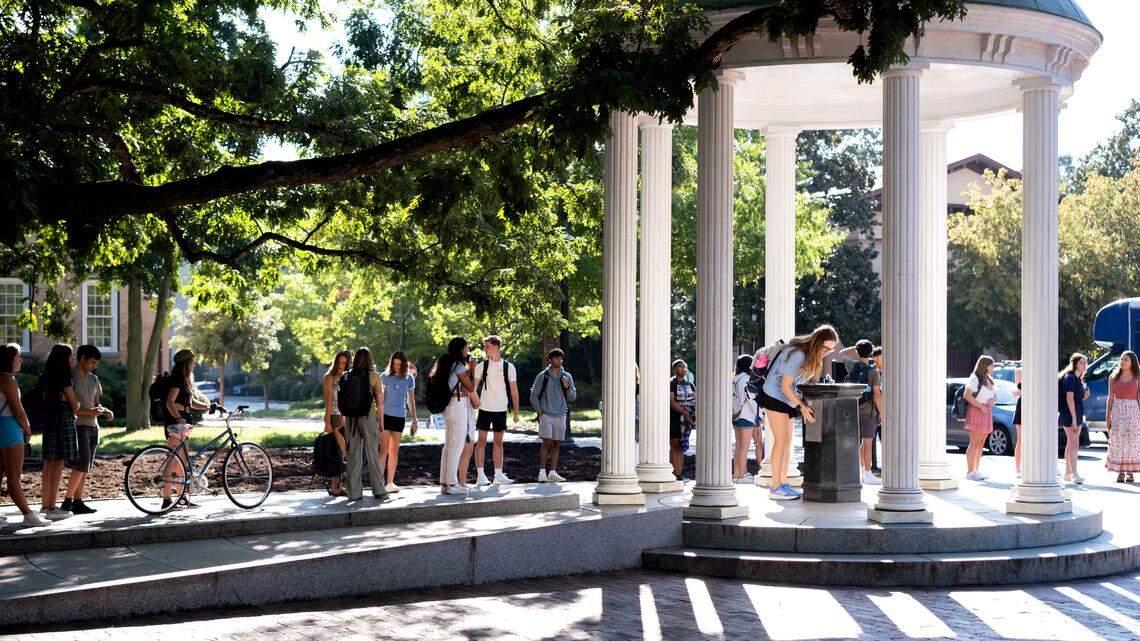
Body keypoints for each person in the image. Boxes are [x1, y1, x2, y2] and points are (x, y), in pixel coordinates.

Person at [758, 325, 840, 500]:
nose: (827, 352)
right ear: (817, 342)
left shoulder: (809, 356)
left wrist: (799, 403)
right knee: (781, 441)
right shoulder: (798, 354)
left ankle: (782, 483)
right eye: (825, 348)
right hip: (773, 395)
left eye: (831, 349)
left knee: (787, 442)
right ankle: (775, 487)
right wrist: (802, 407)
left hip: (786, 399)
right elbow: (785, 386)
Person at [0, 344, 48, 528]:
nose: (20, 360)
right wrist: (27, 429)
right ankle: (28, 515)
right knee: (14, 476)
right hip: (10, 428)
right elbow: (18, 411)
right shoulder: (8, 379)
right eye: (18, 356)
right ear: (8, 360)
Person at [61, 345, 113, 514]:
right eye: (92, 362)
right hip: (79, 425)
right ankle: (67, 502)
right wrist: (90, 411)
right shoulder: (70, 379)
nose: (94, 365)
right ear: (82, 359)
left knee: (86, 465)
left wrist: (105, 411)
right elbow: (72, 407)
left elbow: (96, 404)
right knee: (81, 462)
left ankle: (78, 501)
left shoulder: (93, 379)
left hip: (93, 426)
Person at [162, 349, 212, 510]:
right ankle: (167, 499)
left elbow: (191, 403)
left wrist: (209, 406)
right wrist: (178, 418)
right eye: (193, 360)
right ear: (186, 363)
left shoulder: (185, 380)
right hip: (177, 423)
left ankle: (182, 497)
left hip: (183, 423)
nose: (195, 363)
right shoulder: (177, 380)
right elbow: (170, 402)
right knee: (173, 461)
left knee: (182, 463)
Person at [431, 337, 478, 495]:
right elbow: (471, 387)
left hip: (448, 407)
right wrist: (472, 368)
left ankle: (445, 482)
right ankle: (452, 483)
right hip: (458, 406)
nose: (468, 351)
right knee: (456, 446)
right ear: (460, 349)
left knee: (449, 446)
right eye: (466, 347)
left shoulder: (447, 363)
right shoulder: (458, 366)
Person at [472, 336, 521, 486]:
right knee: (481, 442)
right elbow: (472, 388)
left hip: (501, 409)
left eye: (486, 346)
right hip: (485, 408)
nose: (484, 349)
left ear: (496, 347)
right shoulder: (482, 366)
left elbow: (514, 391)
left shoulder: (509, 367)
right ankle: (480, 476)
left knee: (498, 442)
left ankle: (498, 475)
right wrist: (472, 406)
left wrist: (516, 413)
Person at [341, 347, 387, 501]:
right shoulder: (374, 376)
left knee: (352, 455)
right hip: (368, 418)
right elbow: (380, 403)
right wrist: (382, 421)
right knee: (372, 453)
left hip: (350, 419)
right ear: (369, 359)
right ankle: (379, 490)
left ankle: (354, 493)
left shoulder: (346, 376)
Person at [837, 340, 883, 486]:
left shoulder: (851, 366)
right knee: (868, 442)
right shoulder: (874, 372)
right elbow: (877, 395)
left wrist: (856, 348)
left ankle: (858, 472)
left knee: (856, 444)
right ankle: (868, 473)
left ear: (857, 352)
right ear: (871, 353)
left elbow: (841, 353)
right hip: (868, 411)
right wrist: (880, 412)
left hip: (851, 411)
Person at [530, 348, 576, 483]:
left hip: (561, 414)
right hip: (546, 414)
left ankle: (553, 473)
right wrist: (539, 411)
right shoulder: (542, 376)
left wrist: (567, 386)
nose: (559, 361)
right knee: (546, 442)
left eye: (561, 358)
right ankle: (542, 472)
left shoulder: (567, 376)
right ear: (550, 360)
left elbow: (572, 397)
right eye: (556, 358)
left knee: (556, 444)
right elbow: (534, 395)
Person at [380, 350, 418, 492]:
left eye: (399, 364)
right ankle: (379, 483)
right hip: (385, 416)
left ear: (404, 364)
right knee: (383, 450)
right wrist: (379, 418)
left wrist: (414, 420)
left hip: (399, 417)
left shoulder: (409, 379)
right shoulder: (385, 377)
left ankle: (390, 483)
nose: (396, 366)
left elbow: (411, 400)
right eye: (394, 364)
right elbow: (381, 399)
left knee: (393, 451)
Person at [1106, 350, 1140, 483]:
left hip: (1133, 412)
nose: (1122, 361)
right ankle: (1120, 471)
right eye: (1121, 359)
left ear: (1132, 362)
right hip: (1118, 411)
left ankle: (1130, 471)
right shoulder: (1113, 377)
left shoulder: (1137, 377)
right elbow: (1110, 397)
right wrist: (1107, 415)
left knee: (1132, 440)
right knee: (1118, 440)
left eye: (1126, 359)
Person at [322, 350, 351, 496]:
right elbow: (328, 401)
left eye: (344, 363)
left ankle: (338, 487)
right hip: (334, 417)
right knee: (338, 452)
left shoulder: (348, 377)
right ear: (335, 361)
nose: (341, 366)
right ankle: (336, 486)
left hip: (347, 419)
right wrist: (327, 422)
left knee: (343, 453)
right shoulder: (329, 377)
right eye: (339, 362)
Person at [963, 355, 997, 481]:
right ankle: (970, 471)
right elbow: (967, 395)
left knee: (981, 444)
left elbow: (991, 395)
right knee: (974, 443)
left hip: (986, 413)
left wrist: (992, 400)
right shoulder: (975, 378)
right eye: (992, 365)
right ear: (985, 366)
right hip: (977, 412)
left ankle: (976, 470)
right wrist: (980, 406)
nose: (993, 367)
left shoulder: (989, 379)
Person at [1058, 352, 1090, 485]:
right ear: (1075, 363)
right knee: (1074, 444)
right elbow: (1069, 398)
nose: (1084, 365)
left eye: (1085, 362)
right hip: (1070, 415)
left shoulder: (1078, 379)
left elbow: (1077, 398)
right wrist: (1074, 419)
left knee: (1071, 444)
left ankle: (1067, 473)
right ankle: (1075, 474)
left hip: (1076, 414)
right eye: (1081, 362)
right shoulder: (1070, 378)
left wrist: (1085, 394)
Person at [731, 354, 760, 483]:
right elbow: (751, 399)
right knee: (744, 447)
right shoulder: (747, 379)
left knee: (738, 446)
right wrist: (759, 414)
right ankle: (742, 476)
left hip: (735, 414)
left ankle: (736, 475)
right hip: (746, 415)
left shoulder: (734, 378)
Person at [668, 359, 695, 481]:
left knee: (682, 446)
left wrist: (690, 415)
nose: (683, 369)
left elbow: (696, 399)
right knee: (674, 445)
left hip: (686, 420)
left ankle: (679, 473)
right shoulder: (671, 383)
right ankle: (673, 473)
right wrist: (684, 412)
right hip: (674, 418)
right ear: (674, 369)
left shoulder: (690, 384)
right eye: (680, 367)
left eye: (684, 367)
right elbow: (671, 402)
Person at [1013, 366, 1023, 478]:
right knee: (1021, 440)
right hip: (1022, 407)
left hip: (1033, 407)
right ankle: (1018, 469)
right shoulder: (1019, 371)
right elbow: (1017, 388)